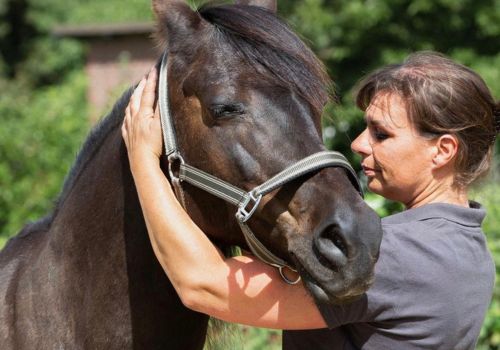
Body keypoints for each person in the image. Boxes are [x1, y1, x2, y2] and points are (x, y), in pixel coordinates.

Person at [121, 51, 498, 349]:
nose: (358, 144)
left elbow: (204, 285)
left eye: (382, 135)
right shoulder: (470, 250)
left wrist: (142, 156)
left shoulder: (400, 255)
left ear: (442, 151)